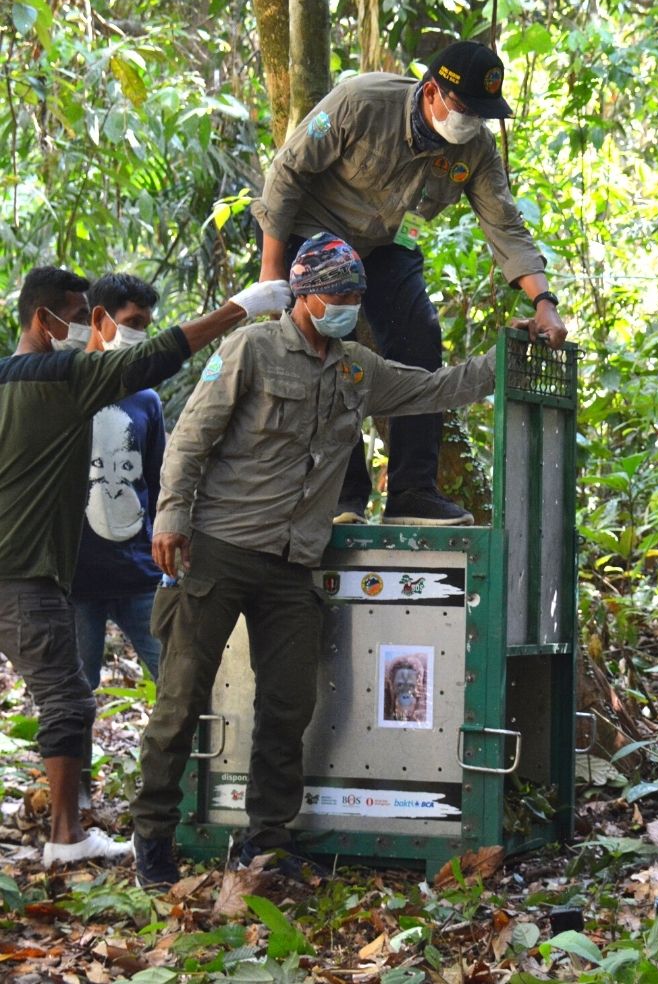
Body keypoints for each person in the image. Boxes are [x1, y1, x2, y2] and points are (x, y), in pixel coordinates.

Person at [130, 233, 520, 889]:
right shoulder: (250, 348)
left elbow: (435, 389)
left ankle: (266, 843)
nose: (346, 307)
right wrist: (170, 515)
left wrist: (505, 355)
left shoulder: (356, 368)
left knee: (288, 708)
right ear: (304, 296)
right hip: (221, 550)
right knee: (180, 702)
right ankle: (153, 844)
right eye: (337, 296)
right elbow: (190, 439)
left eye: (354, 298)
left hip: (291, 564)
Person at [0, 265, 292, 867]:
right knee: (68, 699)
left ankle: (71, 831)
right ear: (43, 320)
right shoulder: (62, 377)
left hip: (55, 569)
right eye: (80, 319)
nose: (87, 330)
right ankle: (65, 839)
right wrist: (241, 306)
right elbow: (151, 359)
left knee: (75, 694)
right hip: (27, 573)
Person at [252, 39, 567, 526]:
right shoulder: (361, 101)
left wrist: (543, 301)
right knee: (325, 347)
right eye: (462, 108)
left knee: (418, 334)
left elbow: (504, 224)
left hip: (386, 243)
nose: (468, 121)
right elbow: (288, 171)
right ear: (432, 92)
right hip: (310, 233)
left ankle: (412, 491)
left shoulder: (475, 149)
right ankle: (341, 496)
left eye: (479, 114)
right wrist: (272, 273)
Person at [69, 274, 167, 805]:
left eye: (147, 328)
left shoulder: (147, 400)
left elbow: (154, 480)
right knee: (75, 697)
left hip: (137, 572)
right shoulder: (64, 388)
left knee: (178, 679)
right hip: (76, 578)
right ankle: (75, 796)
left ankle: (176, 787)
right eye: (132, 325)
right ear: (101, 318)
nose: (140, 336)